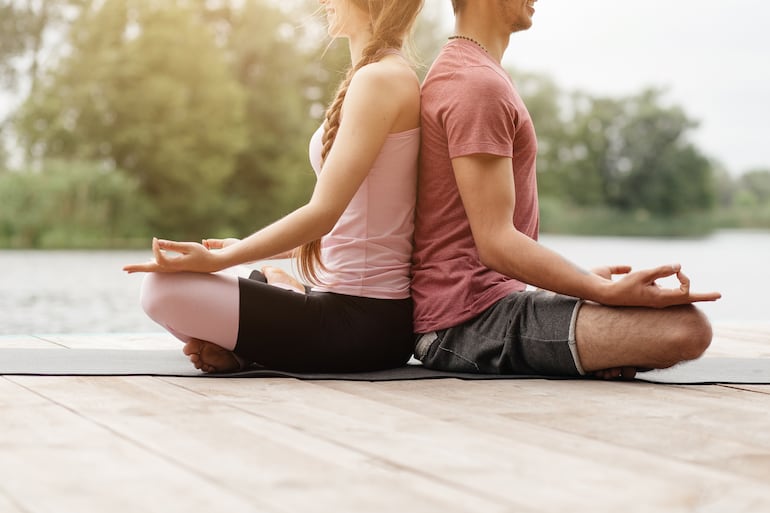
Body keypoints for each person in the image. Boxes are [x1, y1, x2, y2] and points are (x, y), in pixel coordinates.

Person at [411, 0, 721, 380]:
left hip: (483, 306)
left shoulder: (471, 73)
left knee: (670, 324)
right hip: (464, 325)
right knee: (687, 329)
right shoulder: (475, 84)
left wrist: (578, 281)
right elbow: (495, 241)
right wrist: (601, 291)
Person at [124, 0, 424, 373]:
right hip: (353, 313)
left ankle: (253, 340)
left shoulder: (380, 80)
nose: (324, 3)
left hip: (361, 324)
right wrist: (244, 251)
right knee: (218, 278)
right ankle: (263, 321)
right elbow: (355, 228)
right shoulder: (381, 77)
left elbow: (323, 215)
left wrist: (222, 259)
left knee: (160, 289)